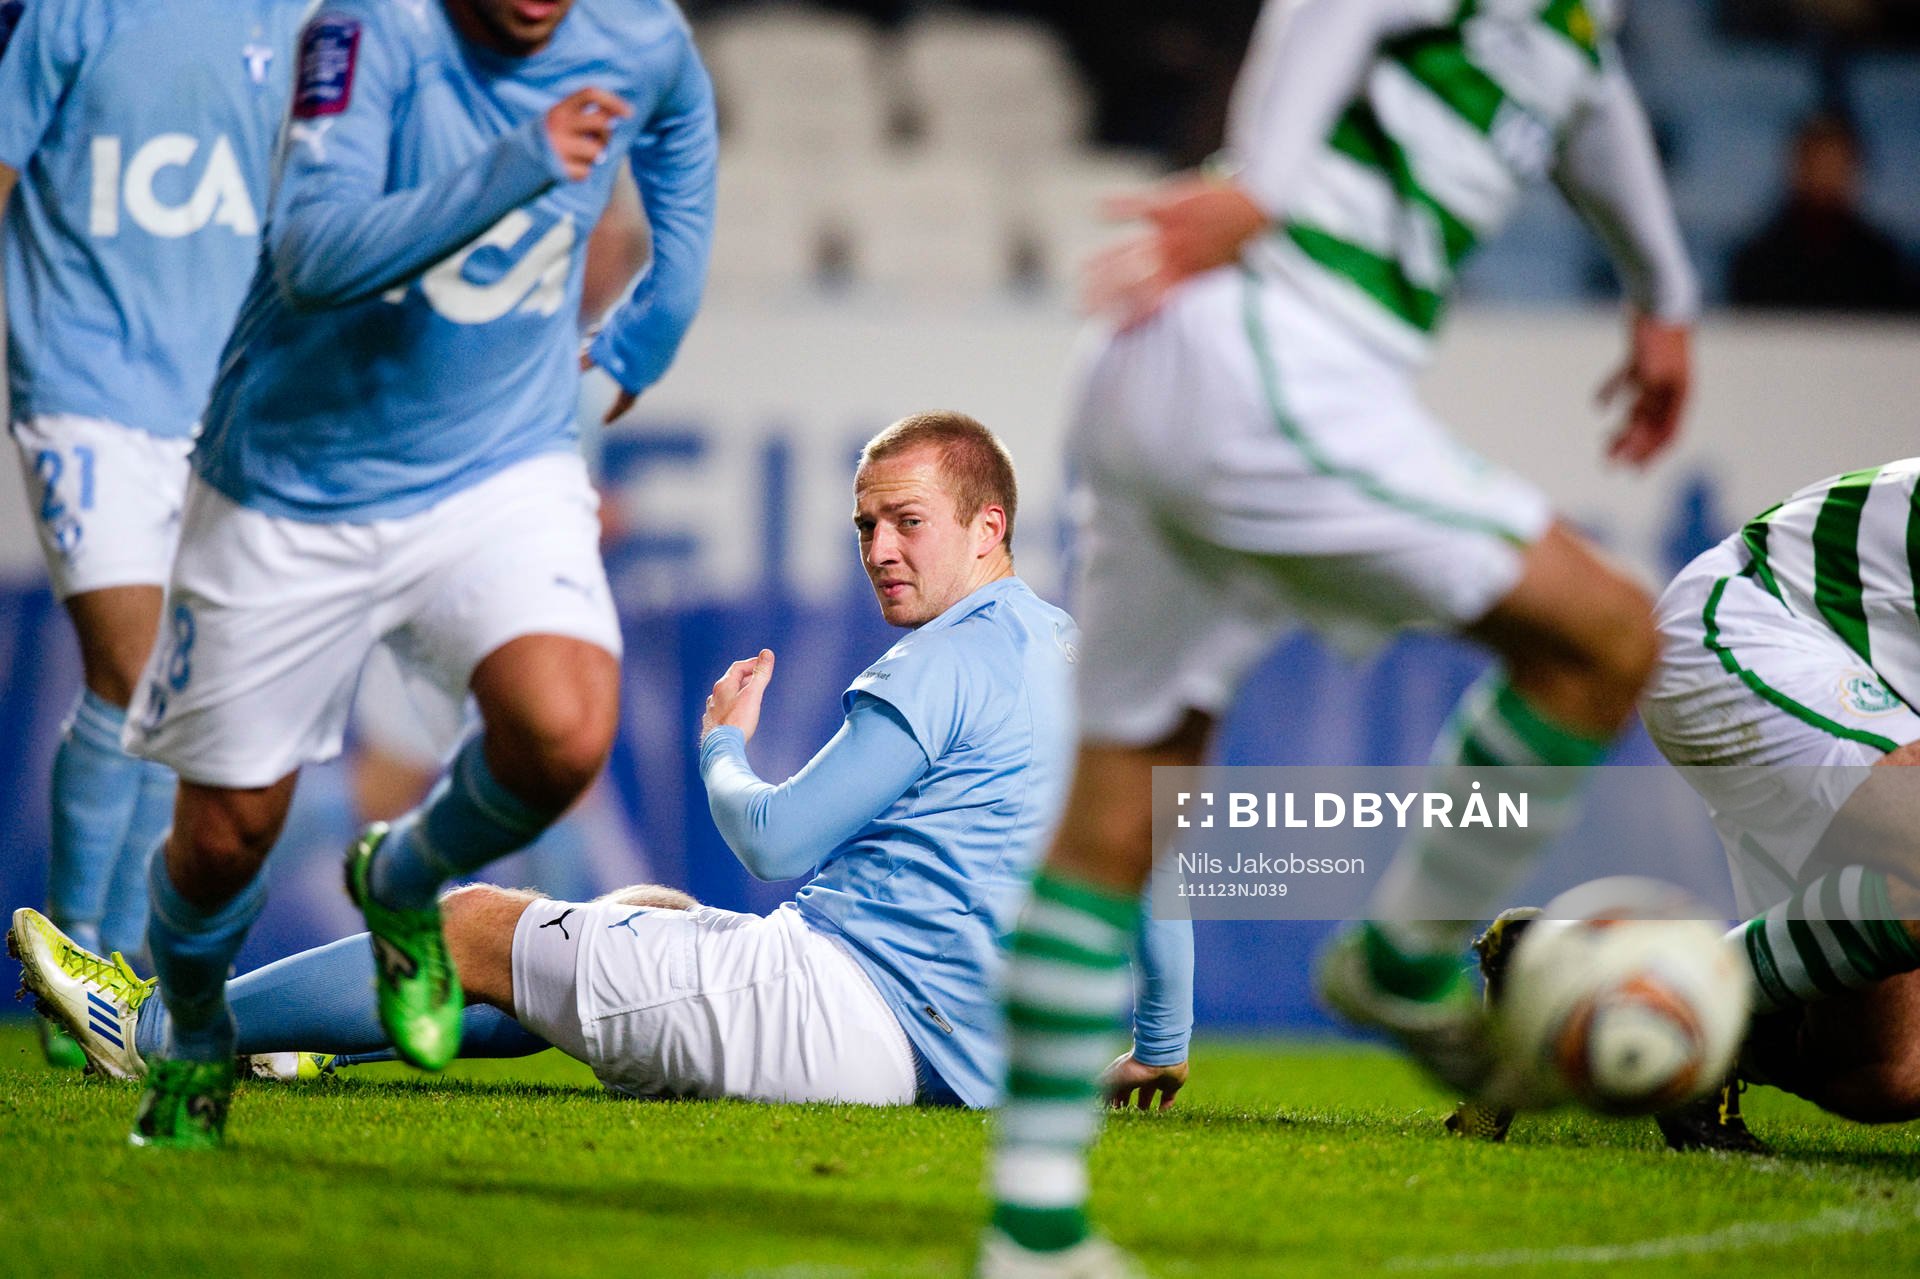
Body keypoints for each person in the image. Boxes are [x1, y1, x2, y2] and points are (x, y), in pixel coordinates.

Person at [978, 1, 1699, 1272]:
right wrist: (1265, 175)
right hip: (1283, 358)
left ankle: (1032, 1231)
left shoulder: (1575, 29)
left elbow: (1589, 101)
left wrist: (1663, 293)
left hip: (1171, 360)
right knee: (1608, 640)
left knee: (1115, 817)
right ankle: (1404, 963)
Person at [15, 413, 1195, 1111]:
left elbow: (777, 841)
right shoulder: (1076, 655)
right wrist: (1161, 1042)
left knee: (472, 922)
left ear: (990, 527)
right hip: (943, 1047)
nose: (881, 549)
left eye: (908, 522)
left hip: (842, 1010)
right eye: (865, 526)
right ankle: (299, 1036)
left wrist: (725, 749)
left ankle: (160, 1031)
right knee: (637, 907)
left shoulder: (942, 661)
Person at [112, 0, 717, 1148]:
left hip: (496, 464)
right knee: (223, 834)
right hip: (297, 479)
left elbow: (680, 113)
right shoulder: (369, 34)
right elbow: (311, 254)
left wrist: (661, 313)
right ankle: (191, 1031)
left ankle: (406, 878)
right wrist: (519, 165)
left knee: (564, 730)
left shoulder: (636, 30)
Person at [0, 0, 309, 1066]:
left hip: (217, 401)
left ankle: (120, 974)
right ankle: (77, 957)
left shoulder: (281, 19)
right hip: (82, 388)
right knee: (130, 668)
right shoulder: (68, 14)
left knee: (177, 690)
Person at [1639, 459, 1920, 1132]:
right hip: (1746, 628)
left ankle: (1676, 1018)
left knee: (1886, 1075)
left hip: (1853, 696)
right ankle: (1642, 995)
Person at [1729, 113, 1920, 314]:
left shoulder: (1881, 262)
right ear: (1797, 166)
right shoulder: (1757, 262)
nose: (1826, 176)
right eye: (1817, 162)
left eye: (1837, 164)